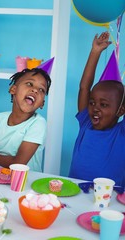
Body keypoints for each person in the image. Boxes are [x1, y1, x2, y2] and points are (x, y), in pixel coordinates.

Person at [69, 32, 125, 187]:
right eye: (92, 103)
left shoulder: (121, 133)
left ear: (120, 111)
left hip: (111, 198)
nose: (95, 108)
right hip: (75, 192)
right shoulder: (86, 122)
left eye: (104, 104)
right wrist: (95, 52)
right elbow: (84, 88)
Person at [0, 68, 52, 172]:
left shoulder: (38, 123)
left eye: (41, 90)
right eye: (29, 84)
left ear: (42, 103)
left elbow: (18, 164)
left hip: (26, 183)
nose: (35, 90)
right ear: (13, 89)